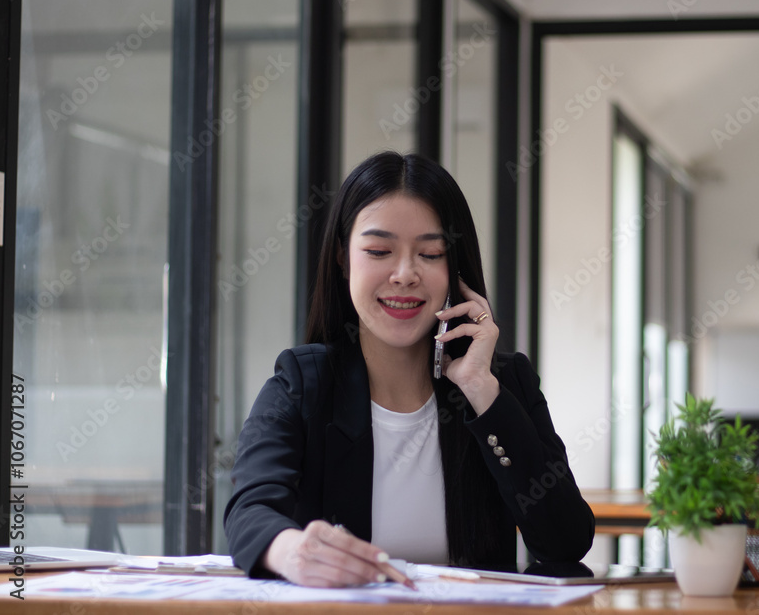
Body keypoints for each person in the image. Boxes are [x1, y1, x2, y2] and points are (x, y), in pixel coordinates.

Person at [224, 151, 594, 587]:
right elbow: (249, 510)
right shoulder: (302, 383)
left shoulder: (504, 383)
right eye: (379, 250)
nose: (404, 274)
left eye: (431, 253)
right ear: (344, 258)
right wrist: (291, 551)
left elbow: (566, 541)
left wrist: (480, 389)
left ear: (455, 267)